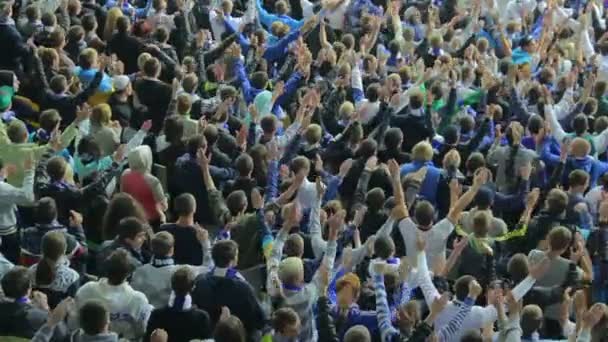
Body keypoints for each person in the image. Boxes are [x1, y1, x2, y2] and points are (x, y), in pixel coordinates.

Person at [73, 249, 152, 340]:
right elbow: (141, 331)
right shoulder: (139, 300)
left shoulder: (86, 290)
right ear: (129, 274)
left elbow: (74, 322)